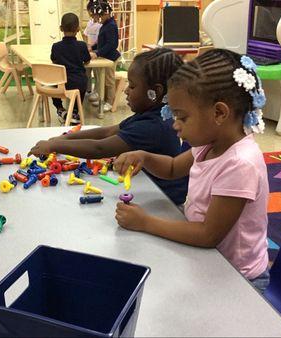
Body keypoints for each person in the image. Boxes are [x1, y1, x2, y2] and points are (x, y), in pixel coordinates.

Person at [113, 49, 270, 292]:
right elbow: (174, 168)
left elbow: (208, 235)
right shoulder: (209, 144)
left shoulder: (240, 164)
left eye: (182, 117)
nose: (175, 124)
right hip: (209, 259)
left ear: (219, 113)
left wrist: (145, 222)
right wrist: (143, 156)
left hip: (239, 279)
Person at [29, 48, 188, 205]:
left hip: (163, 200)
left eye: (132, 86)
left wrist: (53, 145)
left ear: (155, 92)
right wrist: (66, 138)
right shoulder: (152, 113)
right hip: (147, 186)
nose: (126, 90)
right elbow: (109, 131)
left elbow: (99, 148)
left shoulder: (153, 126)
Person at [51, 13, 91, 125]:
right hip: (78, 83)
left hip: (61, 84)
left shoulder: (56, 46)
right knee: (82, 82)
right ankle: (75, 112)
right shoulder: (82, 45)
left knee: (52, 83)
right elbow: (87, 60)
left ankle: (60, 109)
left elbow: (54, 61)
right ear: (78, 29)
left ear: (61, 28)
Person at [90, 0, 121, 115]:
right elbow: (102, 42)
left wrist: (97, 53)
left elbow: (112, 45)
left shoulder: (111, 26)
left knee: (109, 81)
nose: (99, 19)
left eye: (100, 16)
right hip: (105, 57)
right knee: (101, 80)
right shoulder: (105, 25)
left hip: (110, 58)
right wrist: (93, 47)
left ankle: (109, 101)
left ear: (107, 14)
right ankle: (102, 99)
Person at [83, 1, 102, 101]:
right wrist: (86, 45)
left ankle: (97, 91)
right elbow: (85, 34)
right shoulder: (89, 23)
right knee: (87, 70)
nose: (91, 14)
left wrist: (92, 47)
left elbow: (100, 40)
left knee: (97, 72)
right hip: (89, 51)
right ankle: (88, 89)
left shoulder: (101, 25)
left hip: (97, 51)